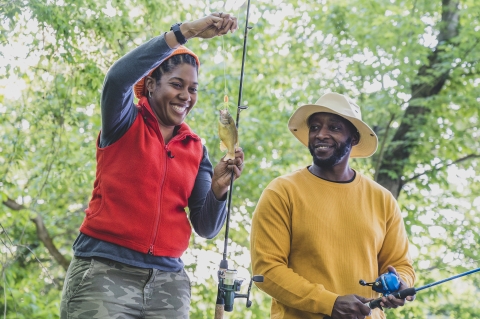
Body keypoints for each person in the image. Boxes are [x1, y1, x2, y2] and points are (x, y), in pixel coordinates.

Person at [60, 13, 243, 319]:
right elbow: (117, 78)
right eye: (177, 84)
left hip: (168, 285)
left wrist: (221, 189)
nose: (186, 96)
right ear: (151, 84)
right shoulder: (123, 121)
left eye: (193, 89)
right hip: (105, 272)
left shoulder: (197, 149)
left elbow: (206, 226)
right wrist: (184, 32)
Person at [250, 92, 416, 319]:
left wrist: (400, 284)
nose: (321, 134)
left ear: (354, 138)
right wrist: (330, 303)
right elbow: (266, 271)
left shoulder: (383, 199)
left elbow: (401, 264)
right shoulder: (281, 192)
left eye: (334, 128)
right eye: (315, 127)